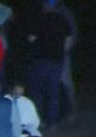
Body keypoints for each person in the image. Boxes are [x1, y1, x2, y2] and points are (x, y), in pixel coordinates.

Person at [27, 0, 71, 128]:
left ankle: (40, 120)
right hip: (57, 59)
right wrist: (63, 52)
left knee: (38, 90)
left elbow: (31, 39)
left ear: (44, 6)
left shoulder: (39, 20)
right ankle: (52, 122)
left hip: (40, 59)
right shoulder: (62, 20)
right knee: (54, 91)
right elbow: (68, 38)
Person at [56, 0, 78, 123]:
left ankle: (71, 111)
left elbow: (72, 34)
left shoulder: (64, 13)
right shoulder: (46, 10)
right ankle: (62, 112)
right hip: (50, 54)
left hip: (61, 53)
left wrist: (64, 50)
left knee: (66, 82)